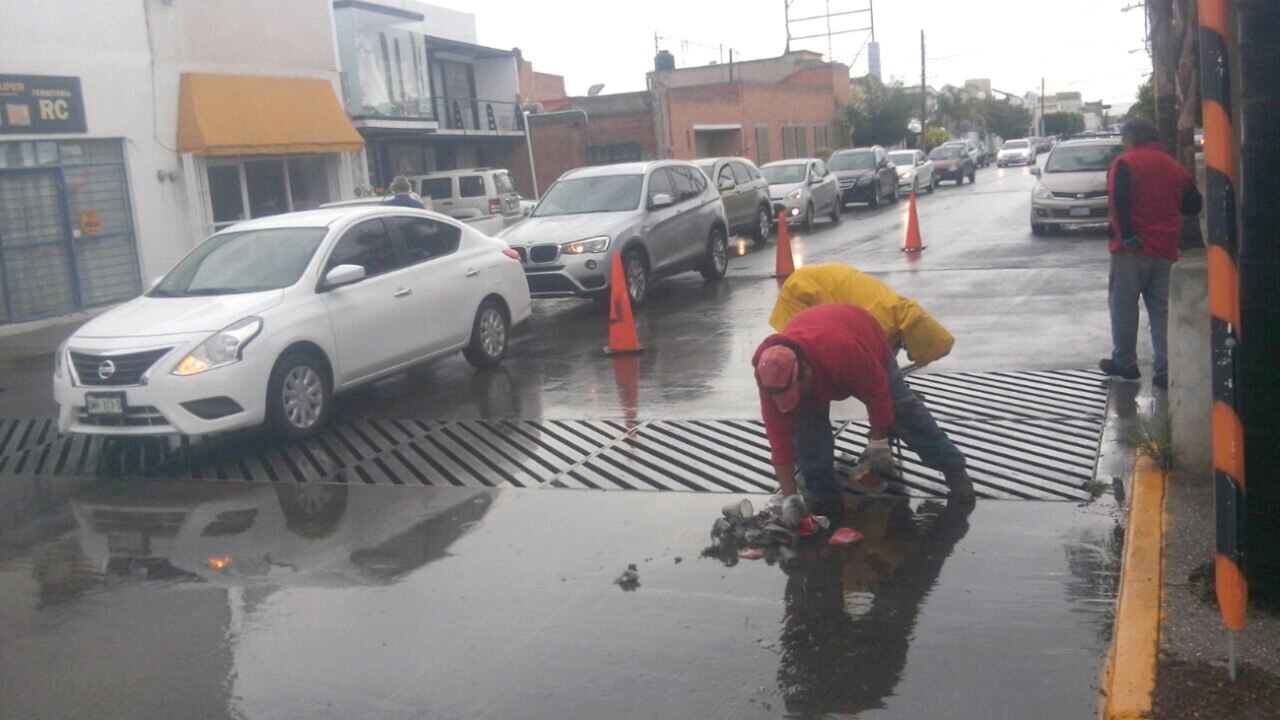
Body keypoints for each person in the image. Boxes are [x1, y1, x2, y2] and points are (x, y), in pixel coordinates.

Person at [753, 304, 974, 518]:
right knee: (808, 433)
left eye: (798, 392)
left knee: (902, 409)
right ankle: (825, 501)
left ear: (806, 370)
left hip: (861, 332)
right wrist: (790, 497)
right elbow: (778, 440)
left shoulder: (841, 352)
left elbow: (877, 392)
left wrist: (878, 440)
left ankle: (953, 469)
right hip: (820, 342)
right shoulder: (771, 377)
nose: (797, 399)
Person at [1101, 117, 1203, 389]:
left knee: (1123, 306)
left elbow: (1119, 200)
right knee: (1161, 310)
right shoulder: (1174, 166)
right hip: (1165, 248)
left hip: (1130, 249)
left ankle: (1125, 361)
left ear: (1131, 138)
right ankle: (1165, 368)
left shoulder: (1125, 163)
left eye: (1124, 139)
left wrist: (1127, 233)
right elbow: (1193, 204)